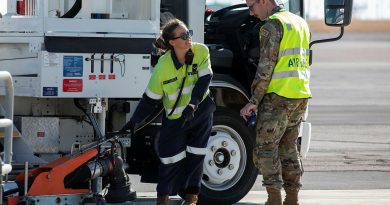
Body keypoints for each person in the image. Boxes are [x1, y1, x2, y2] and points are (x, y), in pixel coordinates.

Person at [122, 18, 215, 205]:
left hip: (200, 112)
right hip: (175, 119)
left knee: (197, 156)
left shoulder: (201, 51)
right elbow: (149, 100)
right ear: (172, 42)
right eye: (184, 35)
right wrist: (134, 122)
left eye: (189, 33)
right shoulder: (162, 68)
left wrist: (193, 104)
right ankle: (162, 199)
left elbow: (205, 80)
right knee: (169, 160)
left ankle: (191, 199)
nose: (189, 37)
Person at [240, 1, 311, 205]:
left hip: (278, 95)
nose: (251, 12)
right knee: (289, 148)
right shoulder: (299, 23)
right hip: (300, 93)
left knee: (265, 148)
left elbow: (266, 67)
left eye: (251, 6)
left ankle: (273, 200)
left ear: (263, 1)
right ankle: (292, 199)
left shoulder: (272, 25)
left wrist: (253, 101)